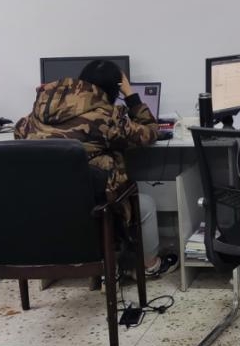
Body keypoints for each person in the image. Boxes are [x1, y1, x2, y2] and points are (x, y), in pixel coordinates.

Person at [13, 59, 176, 276]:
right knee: (144, 205)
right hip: (92, 210)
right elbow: (150, 132)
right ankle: (151, 266)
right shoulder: (106, 118)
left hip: (42, 209)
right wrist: (130, 95)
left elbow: (19, 140)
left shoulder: (31, 118)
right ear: (114, 89)